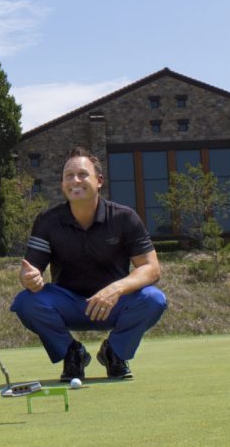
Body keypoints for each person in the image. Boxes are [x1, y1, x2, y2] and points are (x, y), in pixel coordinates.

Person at [10, 147, 168, 382]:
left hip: (114, 304)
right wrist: (29, 278)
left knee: (154, 299)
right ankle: (72, 353)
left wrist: (116, 289)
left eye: (83, 174)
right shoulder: (47, 221)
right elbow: (30, 272)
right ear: (63, 183)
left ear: (99, 180)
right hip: (68, 304)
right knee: (26, 302)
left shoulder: (124, 218)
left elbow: (151, 269)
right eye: (68, 176)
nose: (75, 181)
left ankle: (114, 352)